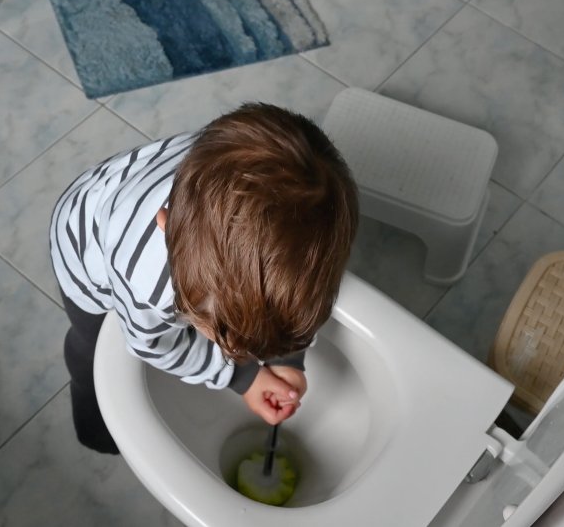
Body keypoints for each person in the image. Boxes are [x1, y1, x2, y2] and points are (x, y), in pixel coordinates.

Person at [50, 103, 358, 454]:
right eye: (215, 329)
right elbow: (153, 344)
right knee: (89, 348)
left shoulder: (307, 241)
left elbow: (288, 284)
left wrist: (286, 358)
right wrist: (242, 377)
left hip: (153, 184)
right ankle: (93, 423)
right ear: (167, 229)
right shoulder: (145, 280)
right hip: (83, 241)